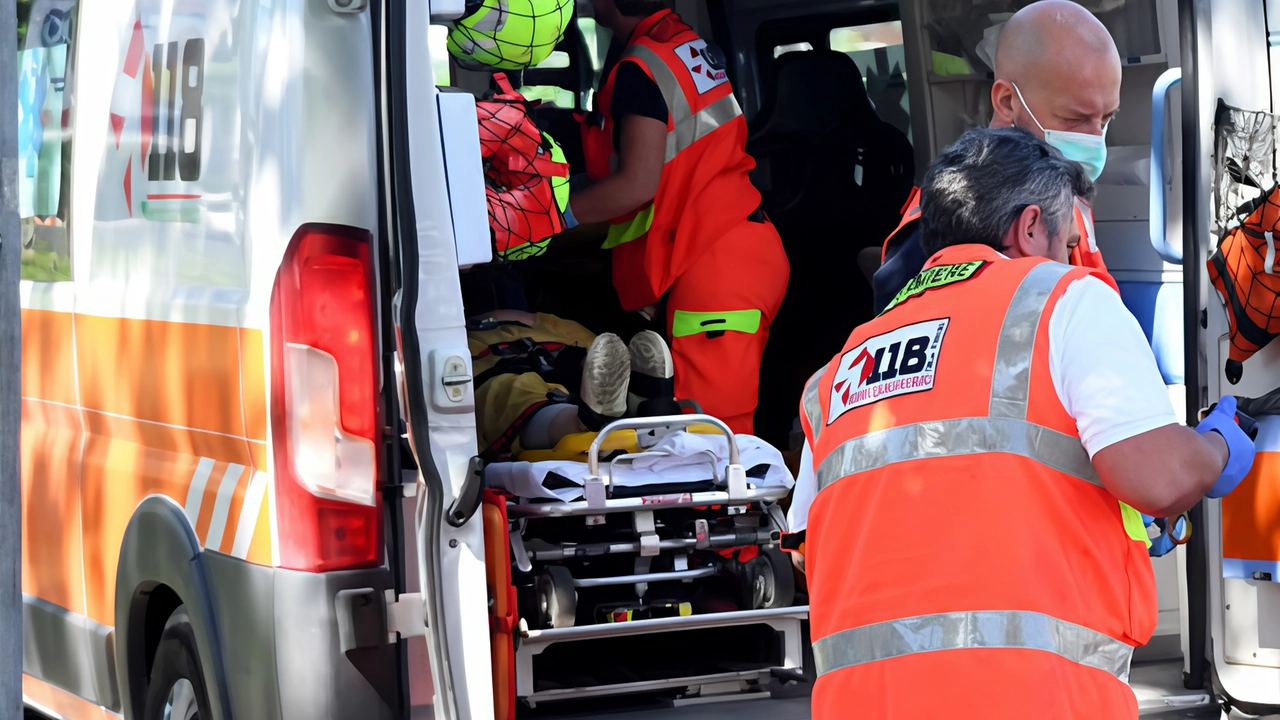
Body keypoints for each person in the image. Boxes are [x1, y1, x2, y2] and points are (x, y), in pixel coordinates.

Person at [788, 128, 1255, 718]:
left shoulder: (840, 367)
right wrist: (1217, 446)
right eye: (1066, 241)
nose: (1067, 258)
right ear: (1030, 227)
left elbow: (812, 552)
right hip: (1030, 698)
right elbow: (1158, 479)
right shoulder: (1061, 298)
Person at [558, 0, 789, 434]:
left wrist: (550, 217)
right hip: (735, 248)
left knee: (713, 440)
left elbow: (636, 185)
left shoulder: (640, 68)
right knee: (700, 430)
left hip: (714, 265)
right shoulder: (681, 44)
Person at [873, 0, 1119, 313]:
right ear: (1006, 102)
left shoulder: (1063, 187)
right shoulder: (949, 218)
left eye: (1107, 118)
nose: (1094, 139)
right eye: (1074, 120)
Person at [469, 310, 676, 459]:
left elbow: (503, 317)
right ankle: (645, 407)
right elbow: (519, 317)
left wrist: (477, 320)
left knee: (515, 393)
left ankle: (597, 419)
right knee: (518, 392)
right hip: (523, 362)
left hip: (498, 360)